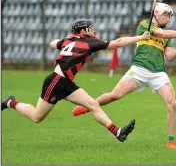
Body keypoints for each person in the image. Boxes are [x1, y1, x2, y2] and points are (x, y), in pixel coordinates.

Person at [1, 18, 151, 143]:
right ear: (83, 31)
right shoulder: (89, 42)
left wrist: (63, 42)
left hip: (66, 83)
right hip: (56, 81)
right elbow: (118, 42)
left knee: (93, 104)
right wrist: (141, 38)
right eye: (90, 28)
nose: (94, 31)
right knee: (36, 117)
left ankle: (118, 132)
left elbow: (53, 43)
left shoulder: (69, 40)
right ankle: (10, 102)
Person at [72, 3, 176, 149]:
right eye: (166, 15)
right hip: (139, 69)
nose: (168, 19)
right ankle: (88, 106)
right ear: (156, 13)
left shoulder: (167, 35)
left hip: (158, 72)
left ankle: (171, 141)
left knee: (172, 103)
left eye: (170, 16)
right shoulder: (145, 24)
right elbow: (161, 34)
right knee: (114, 95)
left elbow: (169, 56)